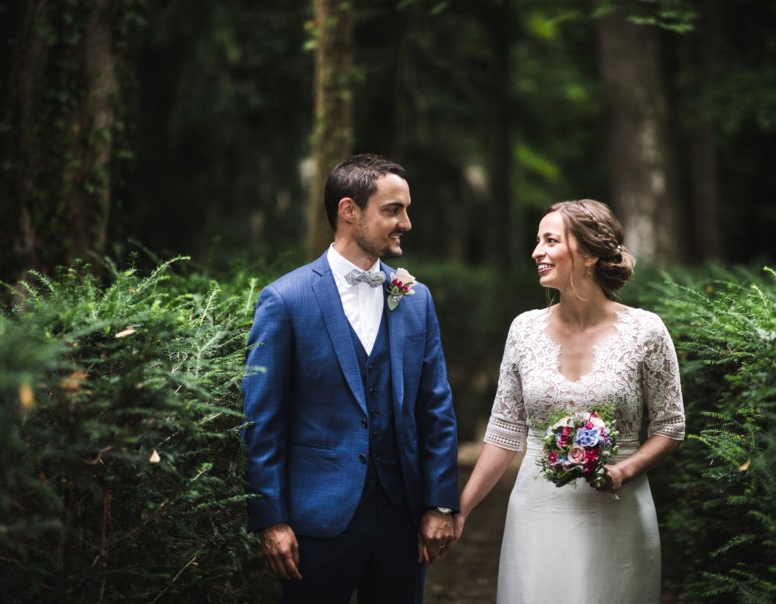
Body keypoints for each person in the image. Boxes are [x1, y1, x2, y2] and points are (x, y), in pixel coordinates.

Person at [241, 154, 460, 603]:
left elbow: (435, 408)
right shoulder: (285, 300)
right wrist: (270, 519)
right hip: (315, 521)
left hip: (402, 521)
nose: (407, 223)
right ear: (349, 211)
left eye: (407, 209)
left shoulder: (415, 299)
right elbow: (261, 421)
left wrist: (439, 503)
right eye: (393, 210)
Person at [454, 199, 685, 603]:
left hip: (617, 509)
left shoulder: (646, 331)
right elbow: (505, 430)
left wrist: (625, 470)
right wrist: (461, 508)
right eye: (537, 241)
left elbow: (671, 427)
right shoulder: (523, 330)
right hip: (537, 509)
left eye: (550, 240)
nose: (536, 252)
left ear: (590, 254)